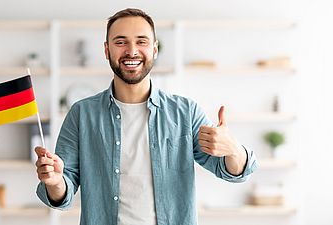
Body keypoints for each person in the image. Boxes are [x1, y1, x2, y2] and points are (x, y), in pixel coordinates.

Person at [35, 8, 257, 225]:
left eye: (141, 41)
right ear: (106, 50)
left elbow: (233, 172)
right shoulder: (81, 114)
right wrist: (54, 182)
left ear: (155, 49)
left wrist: (233, 149)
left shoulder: (185, 112)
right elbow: (63, 190)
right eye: (120, 42)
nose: (131, 51)